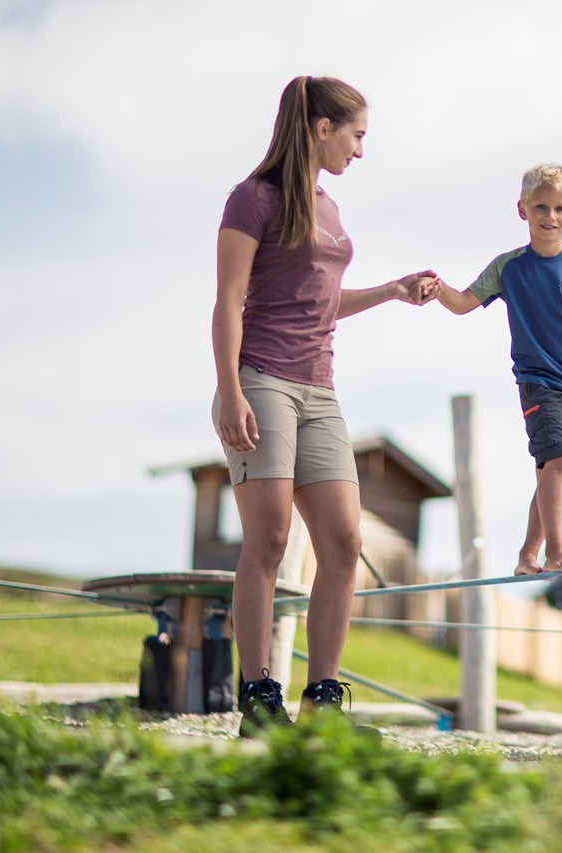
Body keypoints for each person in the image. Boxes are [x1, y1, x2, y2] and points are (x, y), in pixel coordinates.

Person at [211, 75, 437, 736]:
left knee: (342, 540)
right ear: (320, 127)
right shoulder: (251, 199)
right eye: (356, 134)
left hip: (320, 387)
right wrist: (230, 389)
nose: (360, 150)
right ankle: (258, 698)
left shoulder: (331, 209)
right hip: (262, 379)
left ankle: (323, 703)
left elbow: (318, 301)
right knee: (272, 538)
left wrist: (392, 290)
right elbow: (229, 299)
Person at [433, 163, 562, 576]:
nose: (548, 217)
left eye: (558, 208)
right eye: (540, 207)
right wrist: (437, 290)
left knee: (554, 470)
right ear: (522, 210)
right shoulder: (508, 267)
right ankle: (557, 550)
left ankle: (526, 556)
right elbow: (464, 302)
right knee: (560, 461)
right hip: (538, 383)